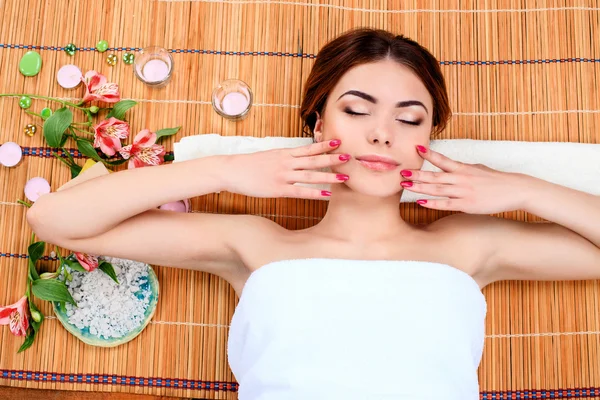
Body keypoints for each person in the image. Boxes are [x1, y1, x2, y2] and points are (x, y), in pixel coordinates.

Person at [26, 28, 600, 400]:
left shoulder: (471, 247)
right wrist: (224, 171)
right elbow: (54, 220)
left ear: (431, 137)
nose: (382, 134)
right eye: (357, 110)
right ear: (319, 125)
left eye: (410, 119)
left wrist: (523, 190)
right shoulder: (257, 246)